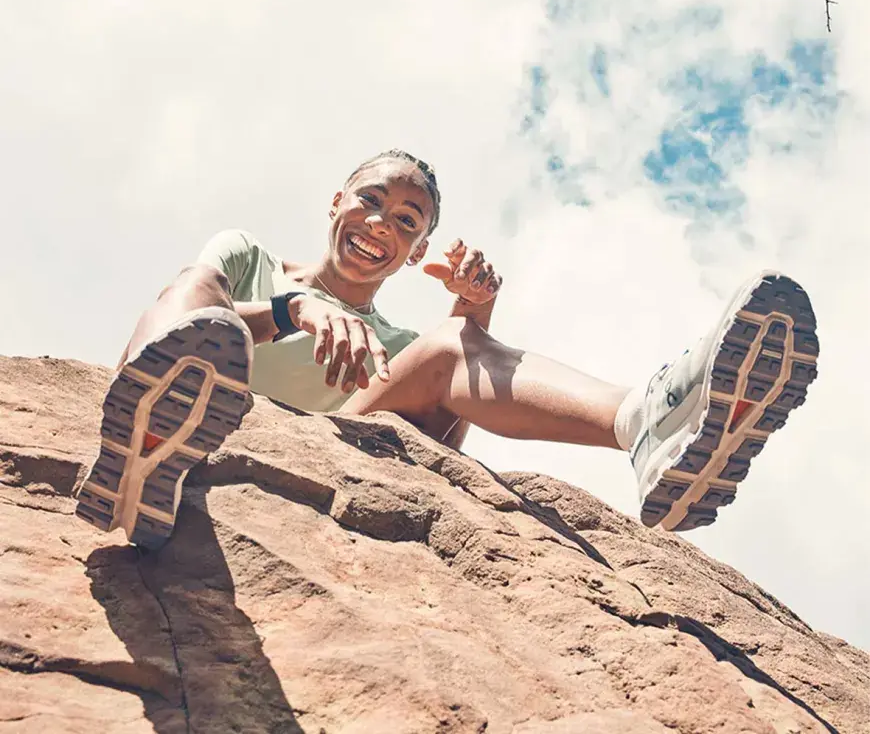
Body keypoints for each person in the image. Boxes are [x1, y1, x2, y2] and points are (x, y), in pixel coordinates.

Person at [75, 149, 820, 549]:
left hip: (316, 458)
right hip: (212, 410)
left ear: (414, 254)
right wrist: (289, 309)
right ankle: (148, 421)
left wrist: (475, 314)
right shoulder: (252, 257)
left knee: (449, 348)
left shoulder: (401, 347)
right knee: (194, 284)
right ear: (336, 201)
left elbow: (431, 451)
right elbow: (197, 298)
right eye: (371, 200)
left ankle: (648, 424)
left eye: (406, 221)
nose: (381, 223)